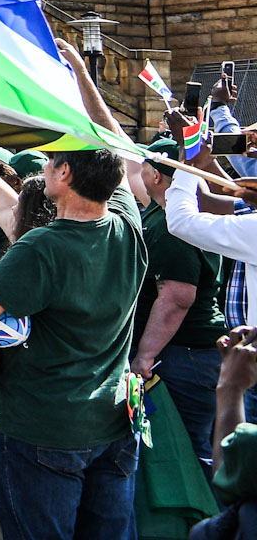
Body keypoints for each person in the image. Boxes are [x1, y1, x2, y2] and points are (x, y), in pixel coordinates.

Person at [0, 39, 146, 540]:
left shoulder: (44, 245)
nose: (44, 169)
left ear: (65, 173)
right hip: (112, 423)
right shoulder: (127, 225)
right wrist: (78, 75)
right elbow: (115, 145)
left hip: (45, 428)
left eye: (50, 163)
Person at [127, 138, 225, 468]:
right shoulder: (167, 211)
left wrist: (146, 354)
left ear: (155, 176)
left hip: (184, 355)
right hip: (186, 352)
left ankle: (212, 520)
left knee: (192, 454)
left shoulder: (172, 226)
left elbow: (177, 298)